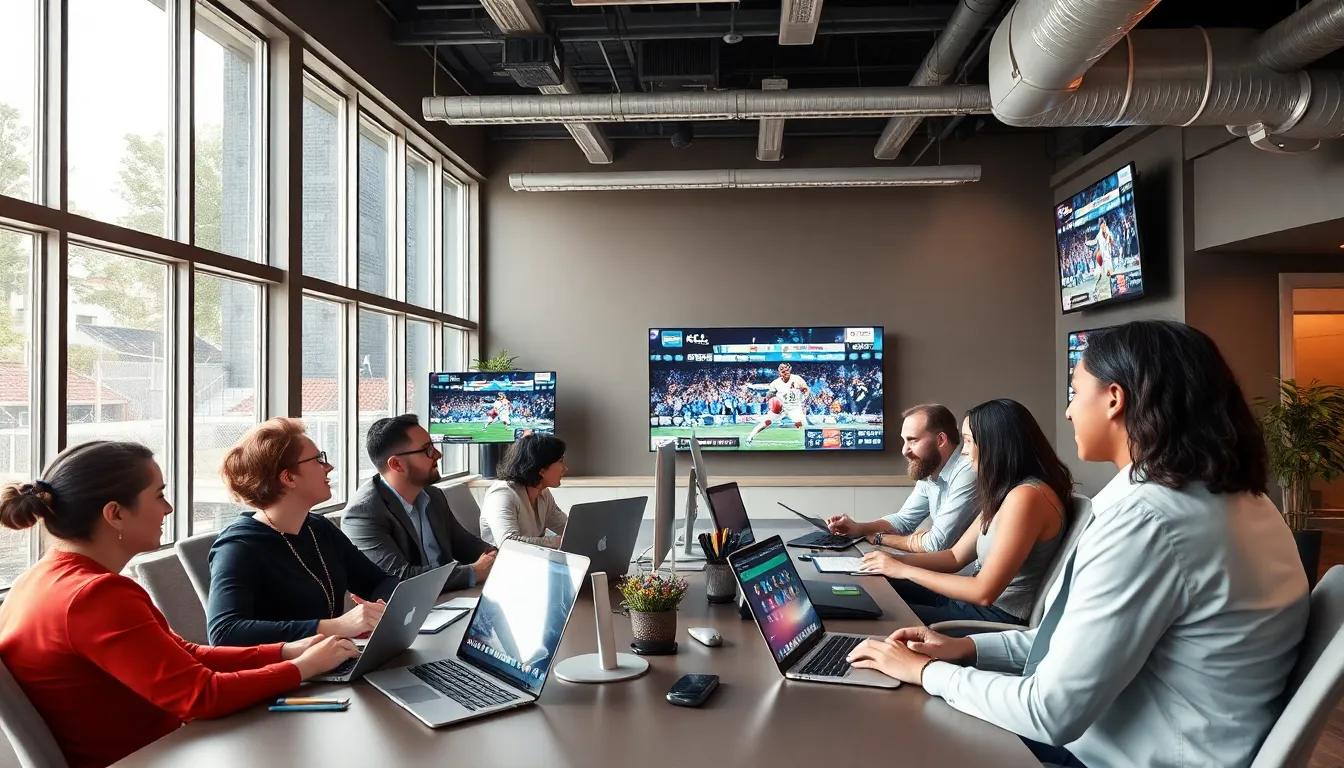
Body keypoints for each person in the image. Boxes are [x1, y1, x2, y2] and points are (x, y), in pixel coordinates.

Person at [845, 321, 1310, 768]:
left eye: (1074, 392)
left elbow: (1049, 712)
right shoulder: (1244, 502)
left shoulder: (1149, 521)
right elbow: (1069, 648)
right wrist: (964, 649)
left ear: (1114, 399)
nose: (1067, 411)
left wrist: (924, 672)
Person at [0, 441, 357, 768]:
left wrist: (287, 651)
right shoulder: (96, 596)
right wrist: (303, 668)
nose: (169, 509)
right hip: (157, 755)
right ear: (115, 514)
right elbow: (201, 696)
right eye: (159, 495)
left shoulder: (37, 580)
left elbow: (184, 655)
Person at [857, 399, 1073, 626]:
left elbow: (984, 592)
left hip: (992, 616)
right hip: (968, 605)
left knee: (878, 611)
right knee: (871, 586)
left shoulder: (1028, 497)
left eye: (968, 441)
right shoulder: (1006, 492)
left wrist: (902, 569)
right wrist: (892, 561)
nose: (965, 451)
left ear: (994, 444)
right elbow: (954, 557)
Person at [207, 418, 398, 647]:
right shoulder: (238, 547)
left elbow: (379, 582)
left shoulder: (319, 528)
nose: (329, 467)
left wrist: (378, 610)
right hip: (283, 675)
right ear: (288, 477)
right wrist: (335, 626)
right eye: (319, 460)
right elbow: (224, 634)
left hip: (332, 658)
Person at [342, 414, 496, 589]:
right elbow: (401, 578)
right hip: (404, 612)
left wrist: (497, 556)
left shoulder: (433, 495)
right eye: (427, 449)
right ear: (397, 465)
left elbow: (466, 545)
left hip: (449, 601)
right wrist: (473, 572)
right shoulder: (363, 513)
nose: (438, 454)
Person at [826, 404, 978, 553]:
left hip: (963, 574)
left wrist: (879, 538)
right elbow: (904, 521)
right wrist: (859, 528)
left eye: (913, 440)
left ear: (941, 440)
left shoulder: (969, 468)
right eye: (904, 441)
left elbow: (935, 544)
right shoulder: (930, 467)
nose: (905, 450)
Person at [479, 433, 569, 548]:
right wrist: (557, 542)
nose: (565, 468)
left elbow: (566, 527)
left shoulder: (543, 493)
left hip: (534, 560)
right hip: (504, 564)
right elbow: (508, 544)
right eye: (560, 461)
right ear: (541, 470)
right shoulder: (502, 495)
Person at [744, 362, 811, 445]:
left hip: (794, 407)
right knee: (767, 422)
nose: (785, 372)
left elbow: (806, 389)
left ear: (789, 370)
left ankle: (810, 442)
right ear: (779, 373)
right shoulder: (775, 383)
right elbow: (769, 394)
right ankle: (750, 437)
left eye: (786, 370)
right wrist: (766, 399)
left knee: (802, 424)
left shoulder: (797, 379)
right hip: (780, 407)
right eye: (782, 370)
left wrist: (803, 398)